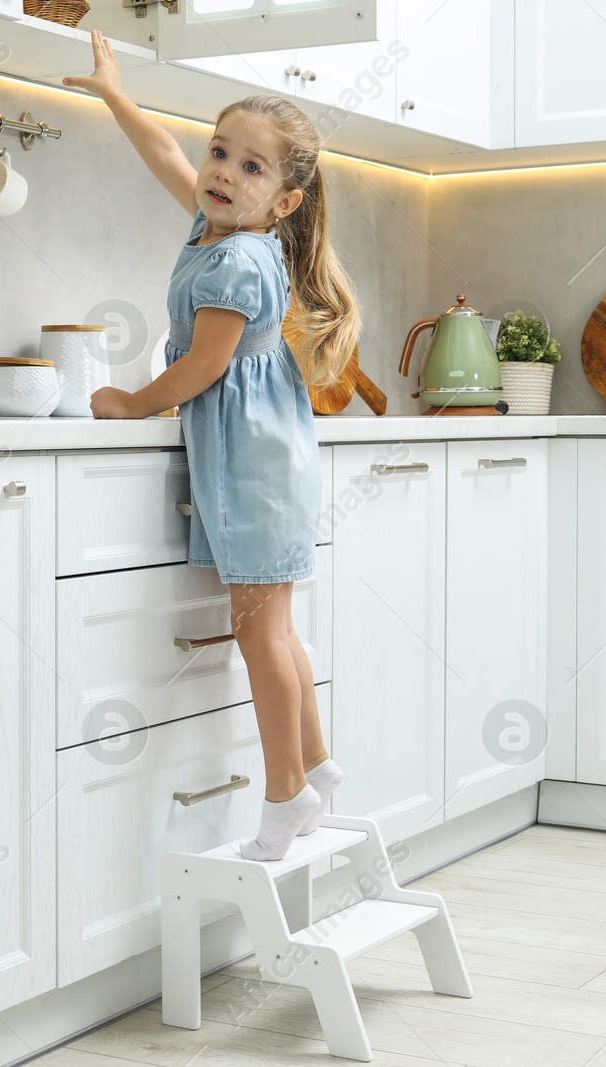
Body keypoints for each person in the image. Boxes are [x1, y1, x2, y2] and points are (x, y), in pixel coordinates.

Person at [66, 32, 359, 862]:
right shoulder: (219, 226)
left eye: (252, 167)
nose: (224, 171)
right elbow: (164, 153)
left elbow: (203, 365)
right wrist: (115, 92)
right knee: (280, 630)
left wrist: (130, 403)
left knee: (260, 634)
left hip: (255, 466)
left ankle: (283, 796)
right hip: (269, 459)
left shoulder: (236, 259)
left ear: (285, 203)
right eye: (219, 152)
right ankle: (317, 766)